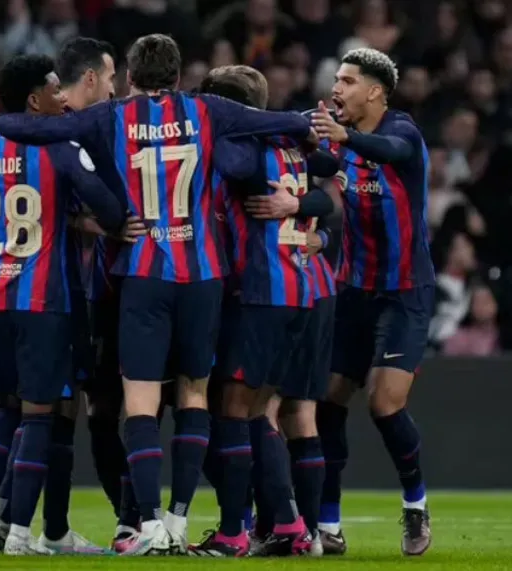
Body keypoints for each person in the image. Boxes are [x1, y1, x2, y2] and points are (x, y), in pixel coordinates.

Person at [0, 33, 316, 556]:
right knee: (195, 394)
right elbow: (277, 121)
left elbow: (45, 128)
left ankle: (147, 523)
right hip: (202, 275)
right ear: (178, 76)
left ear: (130, 78)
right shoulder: (208, 109)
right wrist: (314, 125)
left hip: (140, 273)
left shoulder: (111, 117)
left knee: (137, 401)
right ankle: (180, 519)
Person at [0, 54, 128, 555]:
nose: (63, 98)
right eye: (56, 90)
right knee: (40, 414)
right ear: (35, 100)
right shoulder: (59, 149)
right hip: (43, 296)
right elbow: (113, 212)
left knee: (4, 407)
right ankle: (17, 535)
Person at [191, 65, 339, 558]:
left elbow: (226, 162)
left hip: (263, 292)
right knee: (262, 415)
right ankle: (294, 528)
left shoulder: (248, 151)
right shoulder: (295, 150)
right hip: (298, 291)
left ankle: (236, 531)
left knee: (234, 411)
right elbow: (328, 196)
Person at [310, 47, 435, 556]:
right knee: (328, 403)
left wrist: (344, 138)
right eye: (336, 79)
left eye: (348, 81)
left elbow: (393, 153)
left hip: (404, 291)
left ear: (376, 91)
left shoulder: (402, 132)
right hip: (352, 289)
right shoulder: (338, 139)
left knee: (385, 404)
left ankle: (415, 505)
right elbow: (314, 170)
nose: (337, 88)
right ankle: (328, 523)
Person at [52, 36, 143, 552]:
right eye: (110, 77)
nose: (115, 87)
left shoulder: (121, 124)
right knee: (102, 410)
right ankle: (129, 518)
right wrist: (92, 222)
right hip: (92, 290)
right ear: (91, 78)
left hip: (127, 285)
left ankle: (141, 518)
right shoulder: (57, 127)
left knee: (128, 408)